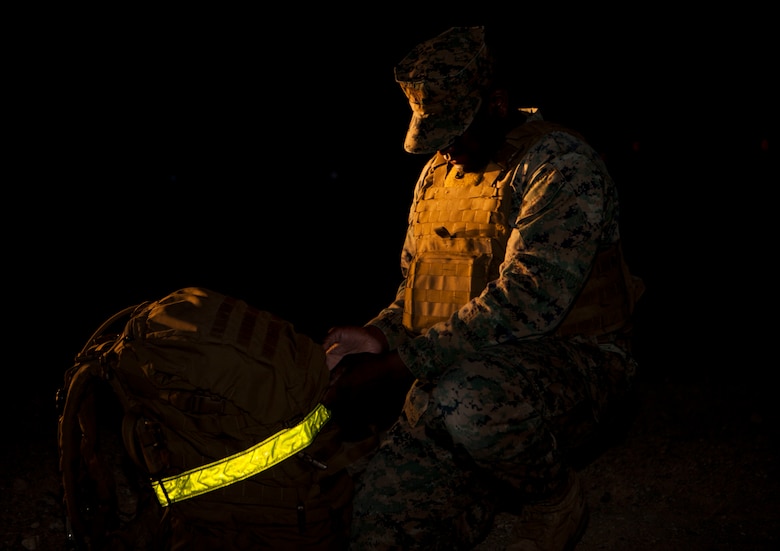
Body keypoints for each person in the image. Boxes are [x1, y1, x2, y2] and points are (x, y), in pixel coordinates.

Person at [322, 26, 645, 551]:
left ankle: (553, 498)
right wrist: (379, 337)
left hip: (578, 362)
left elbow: (526, 302)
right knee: (376, 526)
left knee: (466, 398)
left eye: (453, 133)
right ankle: (488, 479)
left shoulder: (559, 163)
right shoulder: (438, 176)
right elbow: (418, 294)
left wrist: (397, 366)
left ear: (496, 103)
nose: (443, 151)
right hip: (462, 372)